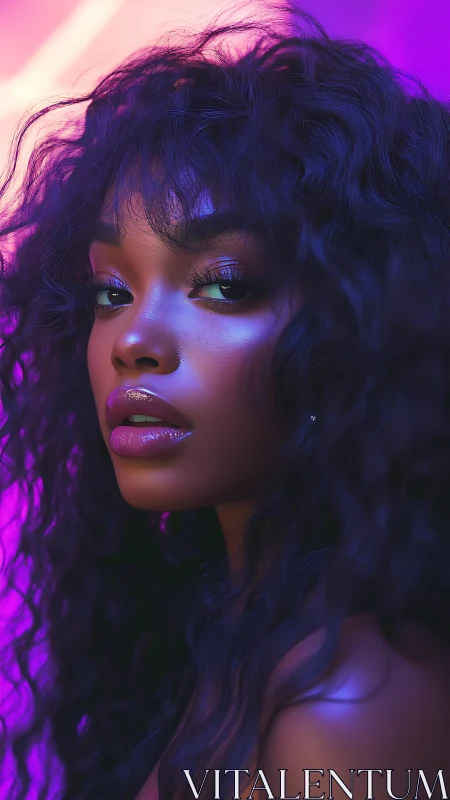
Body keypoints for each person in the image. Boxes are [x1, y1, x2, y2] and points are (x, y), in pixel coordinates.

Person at [1, 1, 450, 798]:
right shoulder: (220, 637)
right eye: (110, 290)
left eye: (225, 284)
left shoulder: (346, 709)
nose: (132, 339)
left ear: (357, 325)